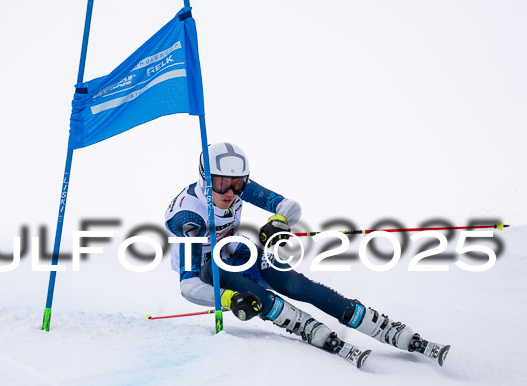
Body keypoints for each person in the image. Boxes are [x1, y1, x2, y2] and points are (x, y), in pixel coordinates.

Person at [164, 142, 450, 367]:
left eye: (238, 183)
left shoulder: (238, 189)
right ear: (204, 179)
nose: (231, 192)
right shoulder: (188, 216)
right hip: (208, 269)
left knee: (297, 286)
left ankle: (384, 327)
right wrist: (228, 299)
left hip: (237, 248)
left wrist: (279, 223)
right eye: (222, 184)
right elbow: (188, 286)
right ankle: (302, 325)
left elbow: (289, 205)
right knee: (232, 280)